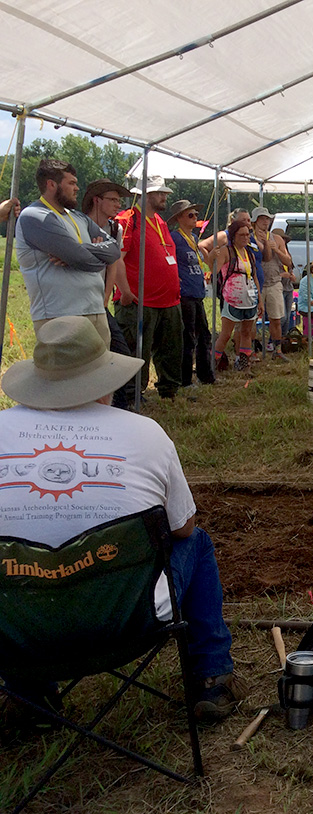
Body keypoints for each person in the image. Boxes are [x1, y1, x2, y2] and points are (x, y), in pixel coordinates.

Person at [0, 317, 244, 722]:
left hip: (13, 633)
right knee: (196, 544)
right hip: (127, 621)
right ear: (105, 379)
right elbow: (182, 527)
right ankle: (211, 678)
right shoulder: (145, 433)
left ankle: (29, 697)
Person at [14, 159, 120, 345]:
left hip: (95, 311)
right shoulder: (35, 216)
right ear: (52, 184)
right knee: (68, 374)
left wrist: (80, 250)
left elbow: (113, 251)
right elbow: (85, 261)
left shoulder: (78, 217)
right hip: (60, 316)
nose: (77, 188)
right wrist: (86, 255)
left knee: (100, 373)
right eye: (71, 183)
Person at [115, 176, 183, 400]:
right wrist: (124, 291)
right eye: (159, 193)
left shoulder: (161, 222)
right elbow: (117, 259)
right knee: (136, 350)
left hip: (168, 300)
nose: (164, 197)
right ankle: (133, 393)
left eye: (165, 193)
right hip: (138, 300)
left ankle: (169, 389)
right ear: (146, 194)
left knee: (170, 348)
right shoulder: (127, 220)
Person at [81, 178, 136, 410]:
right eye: (112, 199)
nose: (117, 205)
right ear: (97, 200)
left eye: (119, 200)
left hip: (99, 302)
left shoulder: (115, 228)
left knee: (119, 352)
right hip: (80, 301)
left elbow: (114, 263)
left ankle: (118, 408)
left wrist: (110, 295)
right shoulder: (78, 225)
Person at [168, 199, 216, 387]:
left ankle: (205, 375)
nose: (195, 217)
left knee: (204, 335)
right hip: (184, 293)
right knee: (188, 337)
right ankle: (185, 379)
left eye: (196, 214)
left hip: (197, 291)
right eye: (190, 215)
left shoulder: (195, 239)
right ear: (180, 218)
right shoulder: (175, 238)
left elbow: (203, 261)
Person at [209, 220, 263, 372]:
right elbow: (214, 271)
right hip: (232, 299)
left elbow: (254, 277)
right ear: (233, 236)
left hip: (250, 300)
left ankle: (243, 365)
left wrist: (260, 300)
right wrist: (211, 257)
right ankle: (212, 365)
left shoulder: (250, 253)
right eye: (242, 235)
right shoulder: (227, 252)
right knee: (226, 334)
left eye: (248, 234)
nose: (246, 238)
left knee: (246, 332)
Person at [251, 207, 290, 360]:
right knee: (251, 319)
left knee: (276, 318)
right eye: (262, 218)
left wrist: (277, 250)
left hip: (274, 281)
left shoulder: (277, 239)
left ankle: (277, 350)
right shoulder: (249, 238)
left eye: (267, 219)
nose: (265, 221)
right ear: (255, 221)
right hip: (255, 283)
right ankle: (252, 350)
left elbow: (288, 261)